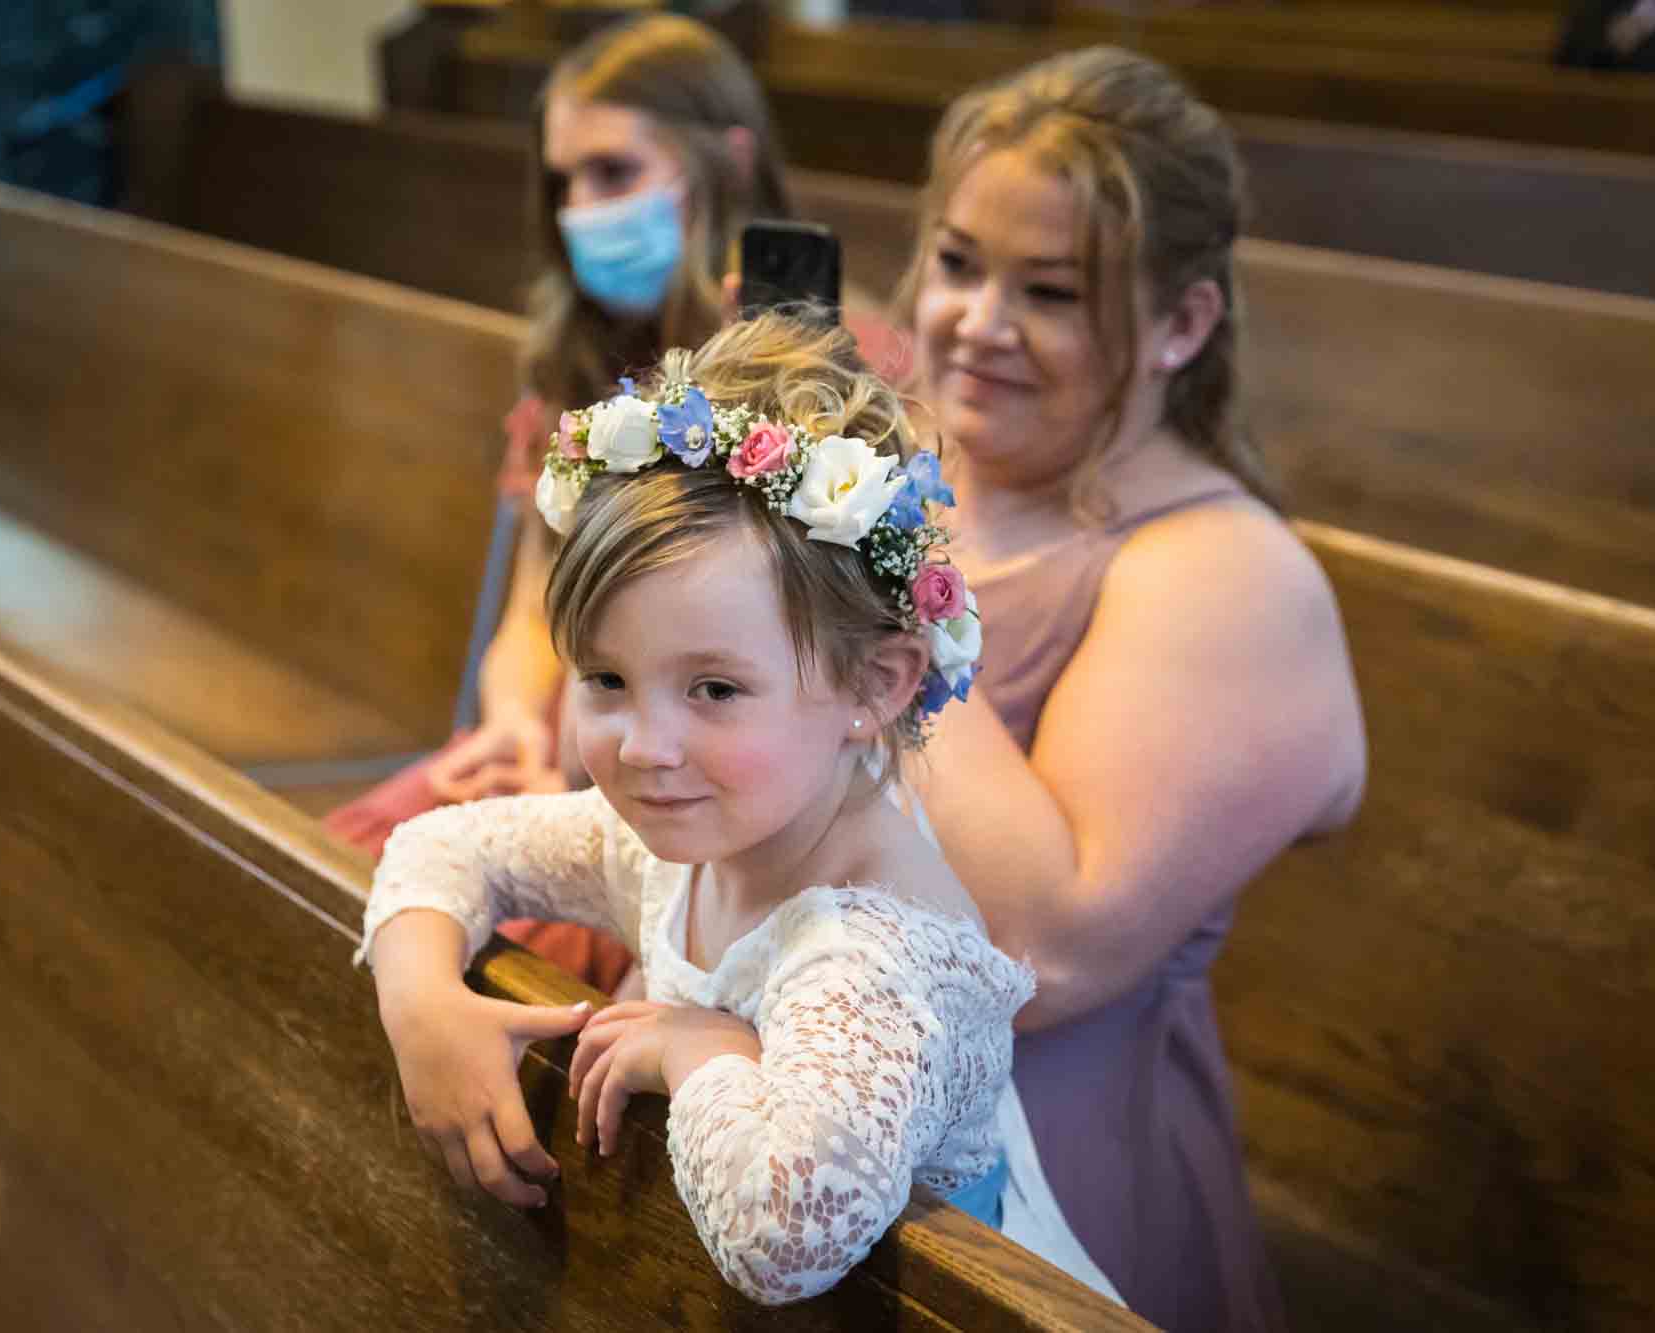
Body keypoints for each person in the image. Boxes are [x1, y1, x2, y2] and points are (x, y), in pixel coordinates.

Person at [357, 315, 1110, 1305]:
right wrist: (421, 1001)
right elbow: (445, 843)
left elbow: (784, 1239)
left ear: (872, 685)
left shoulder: (873, 953)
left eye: (712, 689)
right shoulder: (685, 834)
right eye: (606, 678)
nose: (643, 745)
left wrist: (699, 1048)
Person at [891, 48, 1368, 1333]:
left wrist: (879, 573)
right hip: (810, 1088)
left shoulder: (1227, 578)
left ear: (1184, 323)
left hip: (1037, 1191)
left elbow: (1044, 952)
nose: (975, 323)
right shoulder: (914, 470)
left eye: (1047, 291)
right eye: (954, 262)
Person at [325, 15, 903, 990]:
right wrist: (514, 728)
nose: (581, 210)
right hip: (571, 732)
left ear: (722, 163)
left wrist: (586, 774)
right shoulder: (575, 365)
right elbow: (529, 614)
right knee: (347, 880)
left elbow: (823, 649)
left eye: (613, 173)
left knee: (504, 972)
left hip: (708, 774)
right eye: (563, 184)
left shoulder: (839, 372)